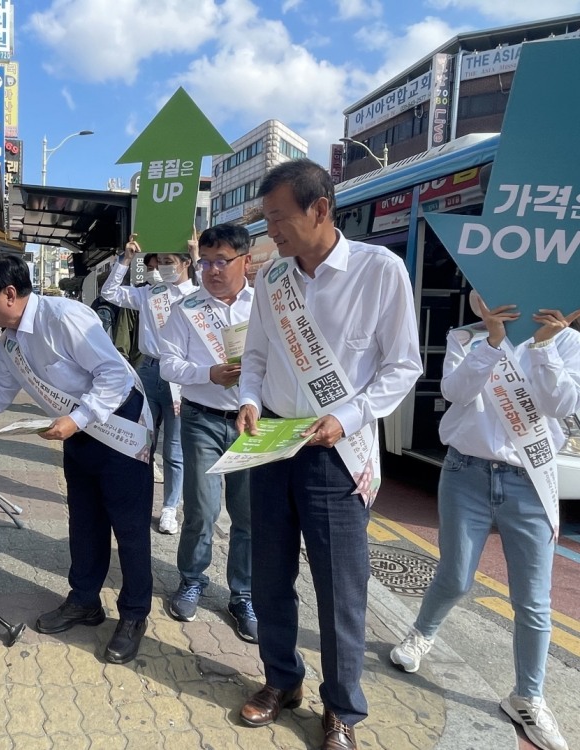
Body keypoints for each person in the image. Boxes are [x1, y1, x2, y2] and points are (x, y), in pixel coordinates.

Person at [236, 159, 422, 749]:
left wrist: (345, 417)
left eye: (279, 220)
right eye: (266, 222)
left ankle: (342, 708)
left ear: (319, 208)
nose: (273, 235)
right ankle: (281, 681)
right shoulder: (272, 280)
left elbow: (402, 368)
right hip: (272, 444)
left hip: (336, 454)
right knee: (268, 576)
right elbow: (257, 358)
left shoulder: (379, 271)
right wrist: (246, 399)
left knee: (341, 589)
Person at [0, 253, 154, 665]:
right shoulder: (9, 342)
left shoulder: (64, 317)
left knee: (129, 530)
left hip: (119, 426)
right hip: (78, 429)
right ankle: (84, 601)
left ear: (8, 293)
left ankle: (133, 616)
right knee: (84, 521)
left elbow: (114, 374)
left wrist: (76, 420)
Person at [390, 292, 579, 750]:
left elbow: (563, 404)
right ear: (475, 296)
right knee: (455, 576)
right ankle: (420, 634)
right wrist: (493, 344)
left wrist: (541, 347)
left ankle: (528, 697)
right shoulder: (465, 337)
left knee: (533, 601)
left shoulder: (567, 342)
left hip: (530, 480)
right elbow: (455, 392)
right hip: (465, 474)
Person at [158, 223, 256, 641]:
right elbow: (167, 364)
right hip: (201, 419)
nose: (213, 270)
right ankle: (192, 579)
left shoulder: (265, 306)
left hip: (252, 423)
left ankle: (244, 594)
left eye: (222, 261)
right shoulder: (188, 308)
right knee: (201, 509)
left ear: (245, 261)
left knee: (249, 516)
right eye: (207, 262)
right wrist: (208, 373)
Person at [101, 235, 198, 534]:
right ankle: (137, 502)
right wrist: (126, 260)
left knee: (174, 449)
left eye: (170, 262)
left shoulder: (198, 293)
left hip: (181, 377)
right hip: (148, 370)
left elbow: (217, 300)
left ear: (186, 263)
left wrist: (199, 257)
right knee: (140, 440)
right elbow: (110, 292)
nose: (163, 267)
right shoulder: (150, 294)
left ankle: (170, 508)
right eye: (161, 262)